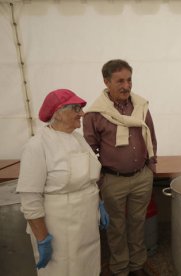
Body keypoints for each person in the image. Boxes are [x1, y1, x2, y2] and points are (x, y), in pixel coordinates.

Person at [16, 89, 109, 276]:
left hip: (86, 222)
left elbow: (90, 177)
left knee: (87, 265)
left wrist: (99, 203)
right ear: (58, 113)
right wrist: (42, 238)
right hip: (58, 228)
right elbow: (30, 198)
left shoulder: (78, 139)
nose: (82, 113)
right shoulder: (37, 146)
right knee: (63, 269)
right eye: (76, 108)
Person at [83, 59, 157, 276]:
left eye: (129, 80)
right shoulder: (94, 113)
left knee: (137, 224)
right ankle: (120, 269)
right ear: (106, 82)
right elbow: (90, 151)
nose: (126, 86)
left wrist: (151, 166)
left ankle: (137, 266)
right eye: (120, 81)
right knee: (116, 228)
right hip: (112, 180)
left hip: (142, 176)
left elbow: (150, 135)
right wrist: (99, 182)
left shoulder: (141, 106)